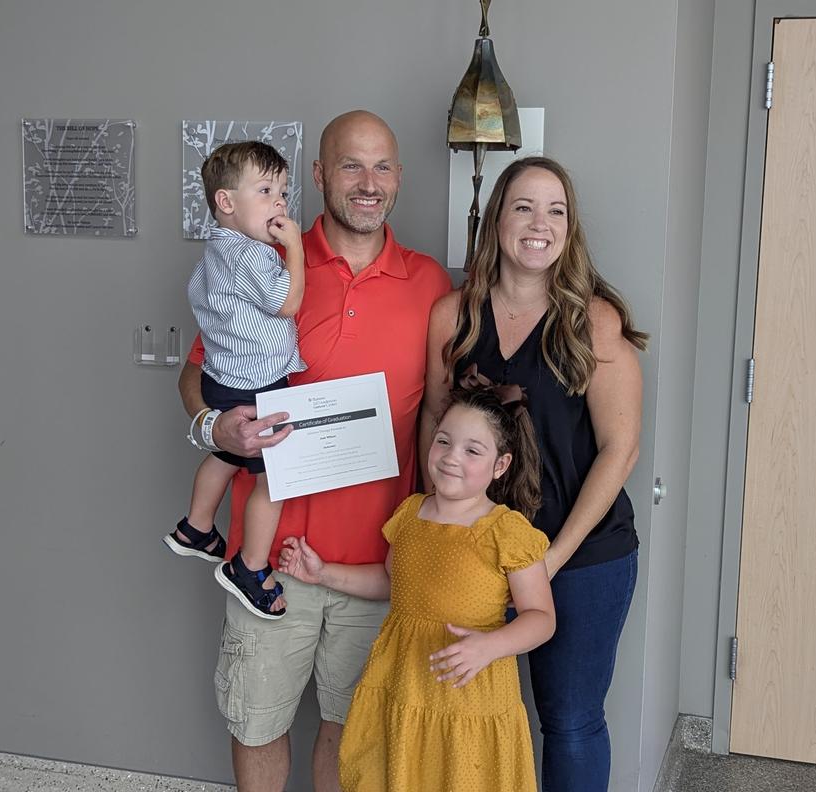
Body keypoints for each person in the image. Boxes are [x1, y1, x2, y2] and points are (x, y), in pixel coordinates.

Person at [178, 111, 451, 792]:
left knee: (351, 730)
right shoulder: (260, 259)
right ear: (319, 174)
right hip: (267, 559)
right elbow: (197, 373)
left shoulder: (430, 285)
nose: (368, 183)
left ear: (399, 178)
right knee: (257, 722)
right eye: (351, 166)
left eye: (383, 166)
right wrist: (217, 429)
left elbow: (441, 415)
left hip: (377, 562)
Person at [421, 156, 648, 792]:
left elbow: (619, 450)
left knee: (569, 720)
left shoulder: (592, 321)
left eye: (556, 210)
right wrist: (441, 528)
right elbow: (435, 424)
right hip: (476, 549)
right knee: (464, 706)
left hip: (579, 557)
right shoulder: (454, 315)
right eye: (523, 206)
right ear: (497, 219)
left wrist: (547, 561)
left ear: (569, 229)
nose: (539, 223)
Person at [276, 381, 555, 792]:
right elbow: (391, 581)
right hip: (402, 679)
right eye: (444, 441)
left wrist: (489, 646)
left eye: (472, 450)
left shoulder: (507, 531)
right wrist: (323, 573)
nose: (451, 458)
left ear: (501, 465)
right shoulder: (410, 512)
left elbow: (542, 618)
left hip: (467, 691)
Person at [168, 141, 304, 619]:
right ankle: (248, 565)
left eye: (283, 192)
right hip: (258, 381)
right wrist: (296, 248)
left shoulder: (213, 254)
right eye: (266, 190)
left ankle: (196, 525)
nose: (281, 202)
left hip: (223, 379)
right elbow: (286, 304)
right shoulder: (254, 255)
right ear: (227, 203)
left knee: (224, 455)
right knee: (277, 477)